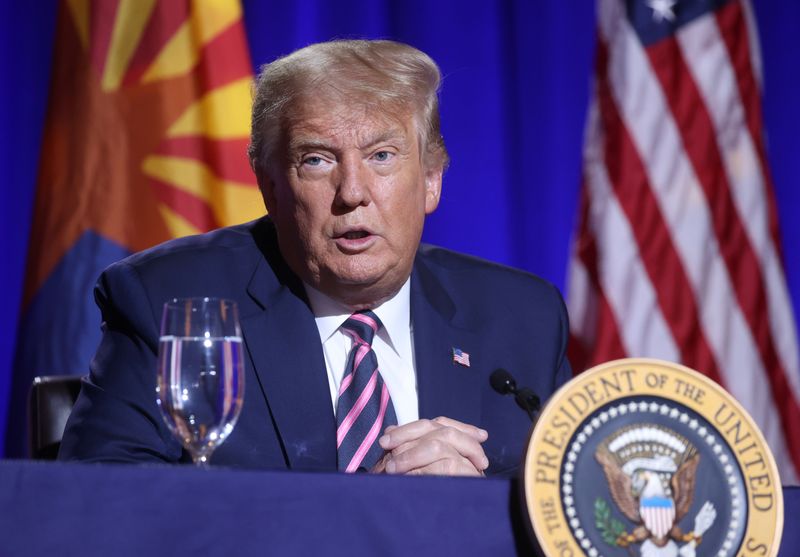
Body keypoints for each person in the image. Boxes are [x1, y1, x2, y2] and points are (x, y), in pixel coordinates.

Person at [59, 39, 571, 476]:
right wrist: (364, 511)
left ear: (432, 180)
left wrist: (469, 515)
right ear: (271, 188)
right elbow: (98, 510)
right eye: (317, 160)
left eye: (382, 156)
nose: (352, 192)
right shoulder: (167, 301)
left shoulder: (523, 318)